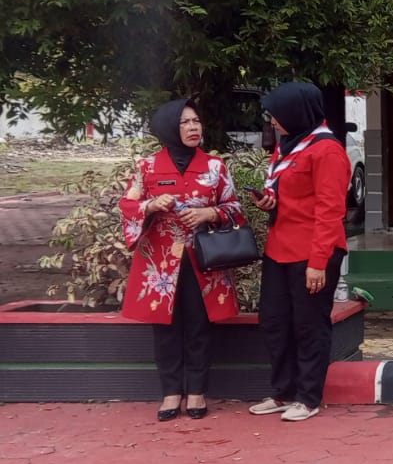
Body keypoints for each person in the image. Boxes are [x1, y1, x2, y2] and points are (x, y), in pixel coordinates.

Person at [119, 100, 246, 421]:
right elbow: (127, 206)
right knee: (165, 328)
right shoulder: (147, 167)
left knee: (199, 326)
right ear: (168, 128)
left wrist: (210, 212)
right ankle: (170, 393)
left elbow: (235, 209)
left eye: (197, 121)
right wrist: (150, 205)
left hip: (203, 260)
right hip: (160, 265)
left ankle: (197, 392)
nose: (194, 128)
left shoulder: (216, 166)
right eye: (185, 122)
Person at [247, 81, 351, 422]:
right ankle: (282, 392)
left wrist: (318, 263)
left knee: (309, 325)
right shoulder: (287, 145)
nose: (272, 121)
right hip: (280, 248)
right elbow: (287, 193)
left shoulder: (327, 150)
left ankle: (308, 397)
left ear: (296, 112)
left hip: (312, 252)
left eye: (276, 115)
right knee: (275, 322)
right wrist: (269, 200)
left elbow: (330, 210)